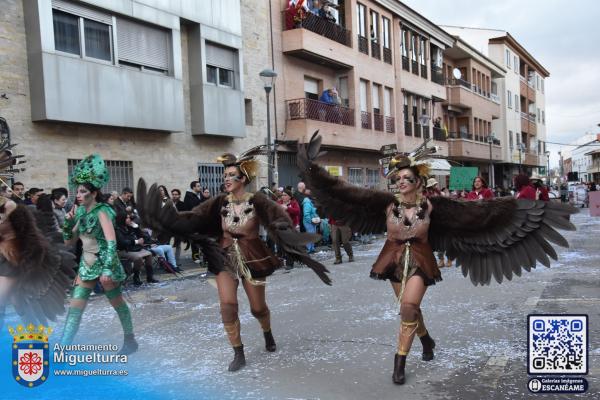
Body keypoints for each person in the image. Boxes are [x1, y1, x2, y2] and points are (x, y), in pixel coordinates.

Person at [297, 131, 576, 385]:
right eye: (398, 179)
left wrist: (523, 210)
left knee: (407, 307)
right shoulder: (384, 205)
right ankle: (426, 340)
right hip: (392, 261)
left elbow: (481, 214)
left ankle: (399, 362)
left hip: (420, 260)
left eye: (407, 178)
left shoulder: (435, 207)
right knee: (410, 310)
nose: (401, 182)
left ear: (418, 182)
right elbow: (340, 192)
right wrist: (314, 171)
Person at [136, 145, 331, 372]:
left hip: (252, 258)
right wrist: (163, 219)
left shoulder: (259, 201)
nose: (226, 179)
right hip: (225, 258)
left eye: (231, 175)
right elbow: (193, 218)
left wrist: (285, 232)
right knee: (228, 305)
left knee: (257, 308)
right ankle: (238, 352)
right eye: (225, 175)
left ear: (243, 178)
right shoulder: (219, 203)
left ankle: (267, 332)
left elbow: (279, 220)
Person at [60, 154, 138, 354]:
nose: (78, 195)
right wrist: (68, 224)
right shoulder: (79, 212)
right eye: (77, 191)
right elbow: (69, 241)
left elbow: (111, 242)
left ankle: (130, 340)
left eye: (83, 191)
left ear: (93, 194)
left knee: (117, 303)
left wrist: (107, 269)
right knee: (75, 308)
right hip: (86, 265)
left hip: (105, 263)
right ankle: (62, 350)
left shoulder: (102, 211)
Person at [115, 212, 159, 285]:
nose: (129, 219)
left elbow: (143, 236)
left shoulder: (130, 226)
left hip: (134, 249)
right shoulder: (118, 229)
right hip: (123, 250)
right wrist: (136, 241)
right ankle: (136, 277)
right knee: (138, 257)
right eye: (127, 218)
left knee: (149, 254)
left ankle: (150, 277)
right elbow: (122, 242)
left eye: (129, 217)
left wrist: (136, 227)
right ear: (122, 219)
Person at [277, 189, 301, 269]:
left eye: (285, 195)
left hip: (291, 226)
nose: (283, 197)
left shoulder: (293, 203)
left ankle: (289, 264)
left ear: (289, 197)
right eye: (282, 195)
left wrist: (287, 208)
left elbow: (297, 212)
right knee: (281, 246)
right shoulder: (279, 203)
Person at [302, 189, 319, 253]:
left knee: (313, 234)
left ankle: (312, 248)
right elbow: (306, 214)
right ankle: (309, 249)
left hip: (313, 221)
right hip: (309, 221)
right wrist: (311, 221)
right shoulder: (307, 202)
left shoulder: (310, 201)